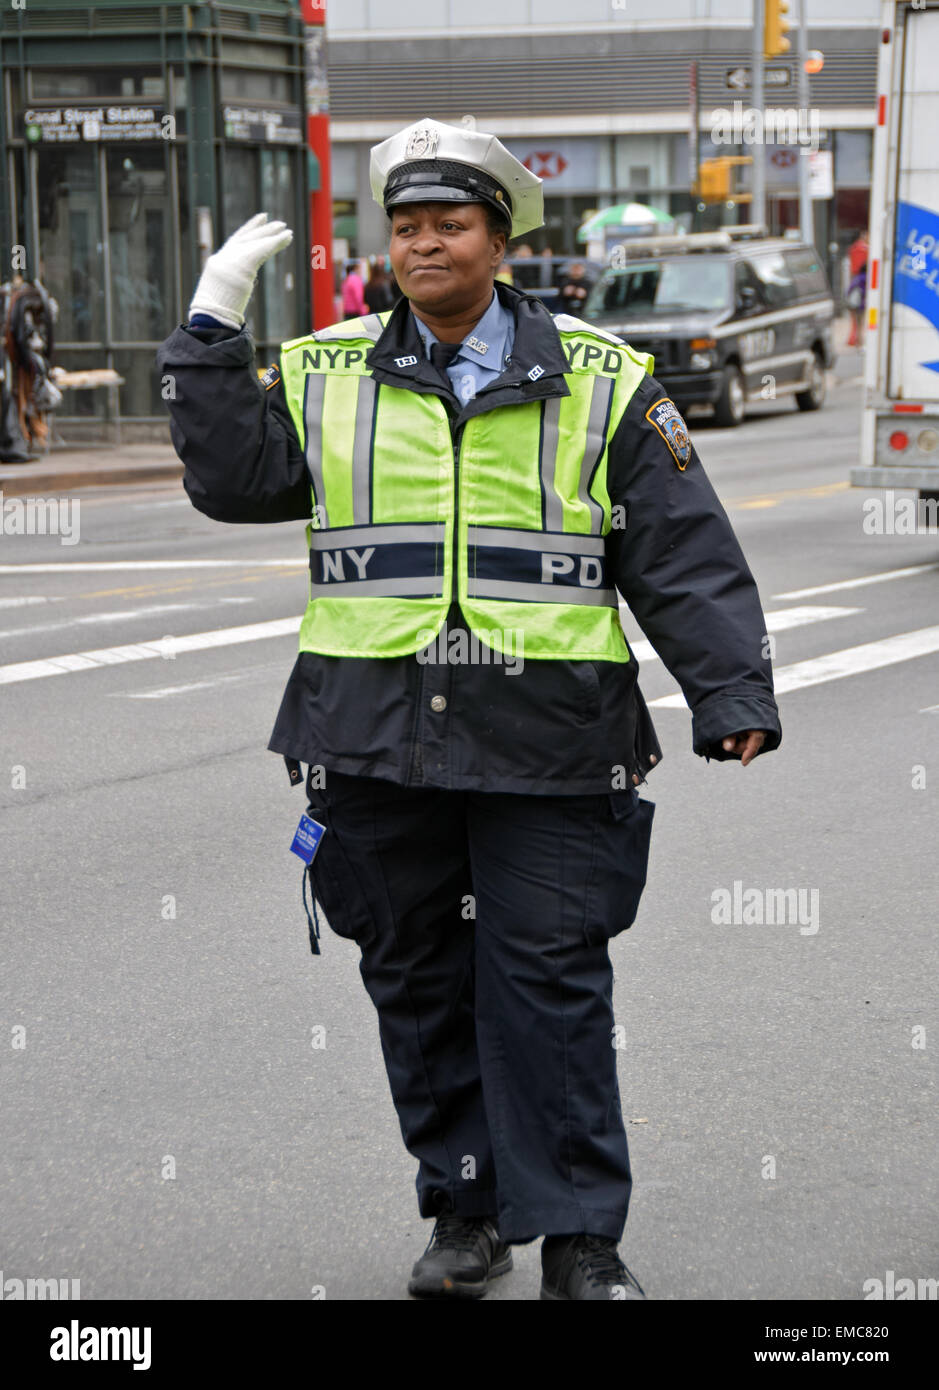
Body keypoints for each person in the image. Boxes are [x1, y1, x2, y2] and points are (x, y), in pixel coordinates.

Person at [156, 117, 781, 1302]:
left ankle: (583, 1238)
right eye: (406, 226)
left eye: (450, 224)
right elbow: (234, 483)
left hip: (550, 739)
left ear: (500, 241)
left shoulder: (601, 377)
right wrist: (208, 334)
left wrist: (729, 689)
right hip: (371, 736)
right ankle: (464, 1211)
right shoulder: (324, 367)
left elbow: (683, 549)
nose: (424, 245)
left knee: (551, 986)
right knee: (419, 982)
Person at [845, 230, 868, 348]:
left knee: (854, 320)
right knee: (860, 320)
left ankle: (853, 338)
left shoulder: (853, 249)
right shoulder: (866, 250)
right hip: (861, 296)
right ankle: (858, 339)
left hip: (854, 290)